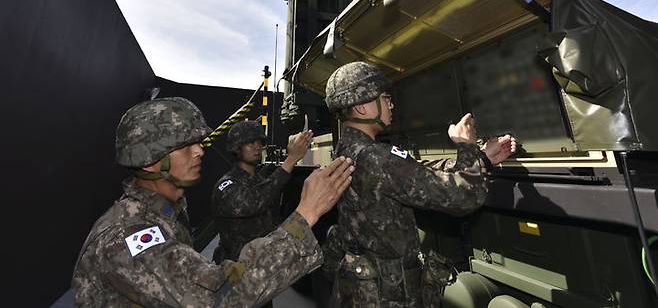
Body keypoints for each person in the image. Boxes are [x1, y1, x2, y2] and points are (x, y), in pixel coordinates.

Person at [72, 97, 354, 307]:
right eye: (184, 146)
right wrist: (306, 213)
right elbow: (217, 295)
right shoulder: (126, 237)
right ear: (149, 161)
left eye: (198, 142)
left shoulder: (164, 212)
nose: (199, 151)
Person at [323, 62, 516, 307]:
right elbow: (464, 197)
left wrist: (483, 158)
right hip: (386, 295)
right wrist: (466, 146)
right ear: (362, 106)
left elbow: (413, 169)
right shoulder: (376, 157)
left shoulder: (349, 150)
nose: (391, 105)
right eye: (385, 98)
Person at [211, 120, 312, 267]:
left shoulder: (260, 180)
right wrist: (290, 160)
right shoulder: (227, 185)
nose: (257, 146)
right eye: (250, 142)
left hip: (263, 267)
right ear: (236, 148)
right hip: (237, 269)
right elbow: (253, 203)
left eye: (259, 142)